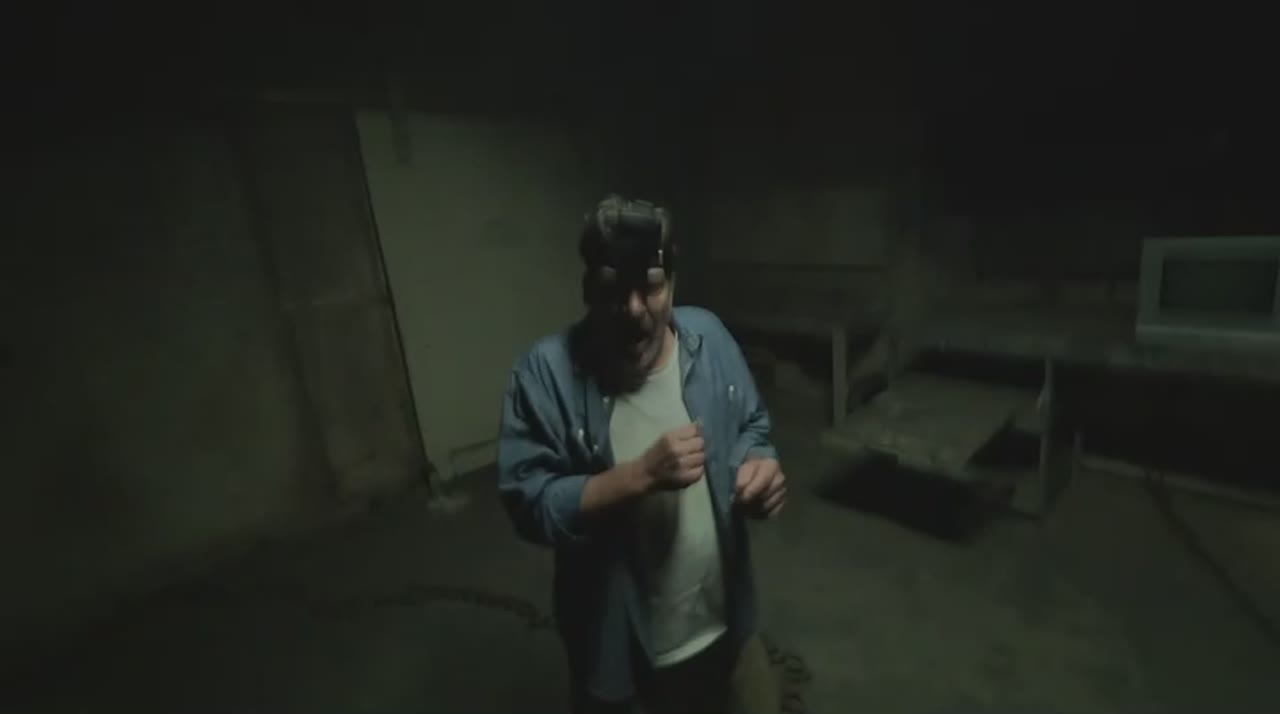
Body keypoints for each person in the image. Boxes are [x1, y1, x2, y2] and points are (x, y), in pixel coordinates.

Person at [497, 195, 787, 714]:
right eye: (613, 287)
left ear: (671, 281)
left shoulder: (709, 338)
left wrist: (759, 468)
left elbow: (751, 427)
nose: (634, 309)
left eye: (651, 285)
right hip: (619, 649)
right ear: (588, 288)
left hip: (728, 622)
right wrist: (638, 476)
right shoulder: (544, 374)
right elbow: (528, 504)